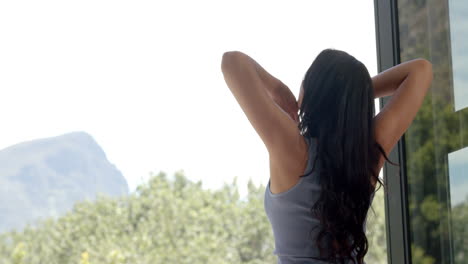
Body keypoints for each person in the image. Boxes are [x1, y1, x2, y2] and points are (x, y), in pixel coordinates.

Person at [220, 48, 433, 264]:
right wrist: (352, 95)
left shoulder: (292, 148)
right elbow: (420, 70)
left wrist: (277, 88)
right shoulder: (366, 155)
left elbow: (232, 61)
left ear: (314, 90)